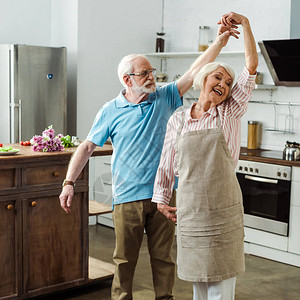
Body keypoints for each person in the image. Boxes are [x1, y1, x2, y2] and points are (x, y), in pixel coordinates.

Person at [59, 16, 239, 300]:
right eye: (144, 73)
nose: (151, 76)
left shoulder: (166, 97)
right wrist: (69, 181)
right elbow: (87, 147)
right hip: (127, 196)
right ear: (127, 79)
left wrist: (221, 41)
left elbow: (194, 71)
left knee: (164, 259)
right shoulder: (110, 110)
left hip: (165, 197)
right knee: (124, 261)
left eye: (151, 71)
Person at [152, 12, 258, 300]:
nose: (223, 84)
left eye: (228, 82)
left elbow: (250, 66)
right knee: (198, 283)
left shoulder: (229, 112)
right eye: (218, 76)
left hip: (222, 210)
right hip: (192, 211)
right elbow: (166, 164)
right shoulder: (179, 119)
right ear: (203, 79)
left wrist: (245, 24)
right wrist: (161, 200)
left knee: (221, 287)